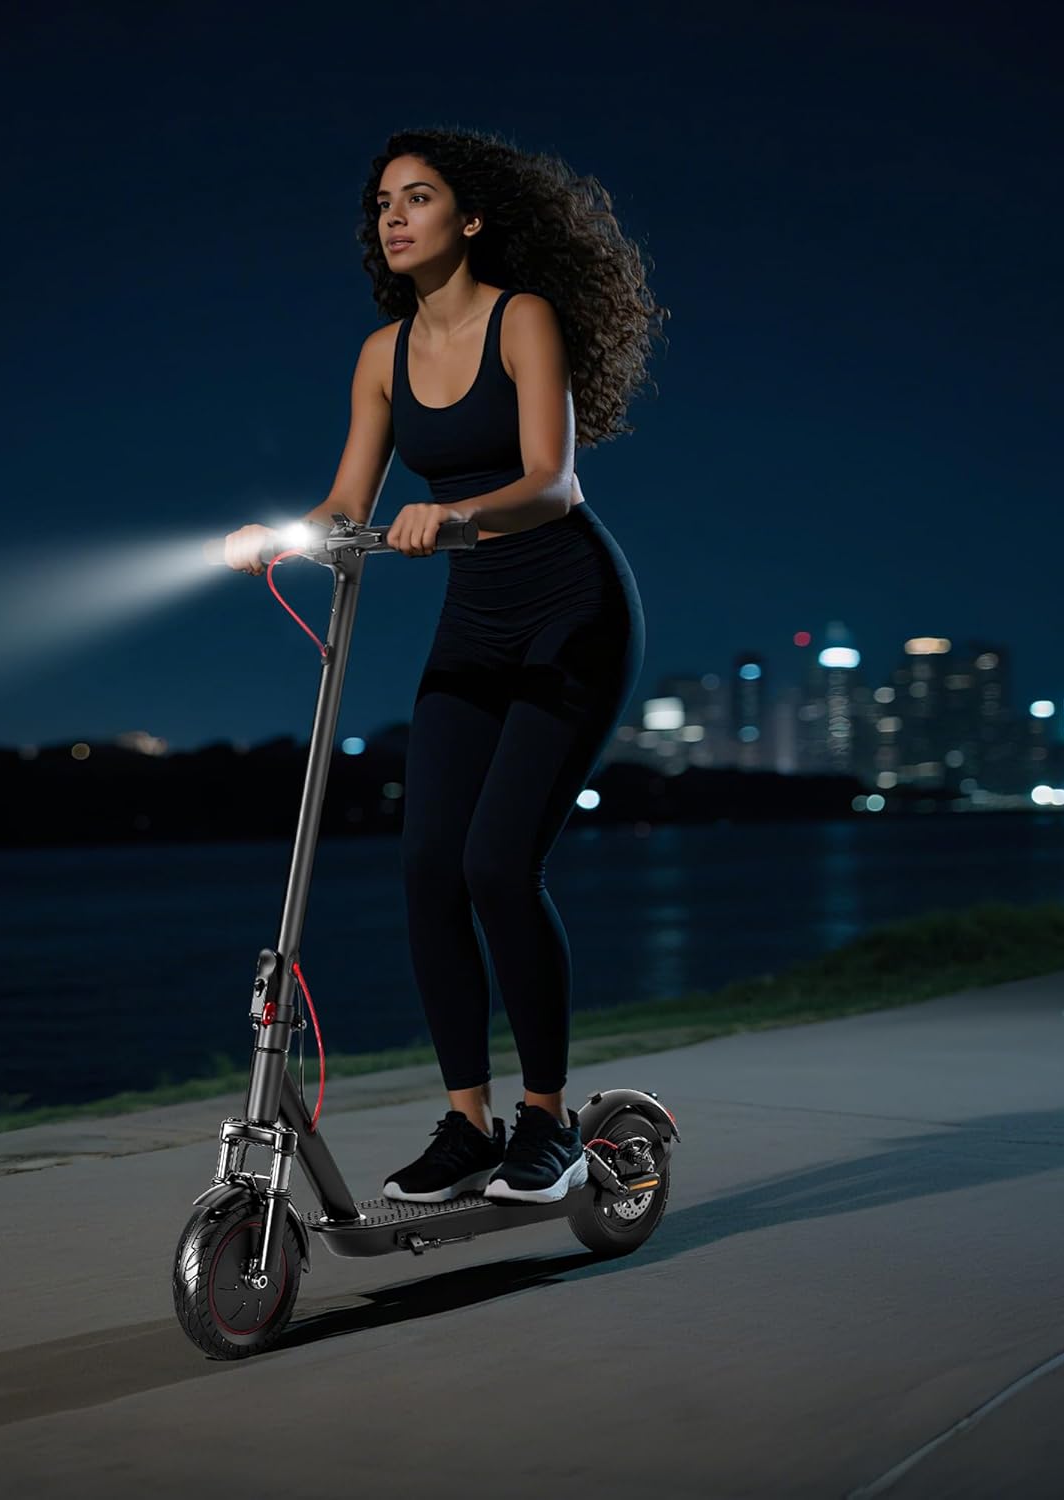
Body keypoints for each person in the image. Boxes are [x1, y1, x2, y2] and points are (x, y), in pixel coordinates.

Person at [222, 126, 667, 1205]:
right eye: (383, 203)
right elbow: (348, 503)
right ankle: (469, 1123)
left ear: (469, 219)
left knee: (498, 866)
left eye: (417, 198)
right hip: (475, 625)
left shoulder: (524, 319)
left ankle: (548, 1123)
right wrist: (282, 535)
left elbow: (553, 483)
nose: (394, 217)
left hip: (571, 610)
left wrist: (459, 514)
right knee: (428, 866)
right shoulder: (382, 354)